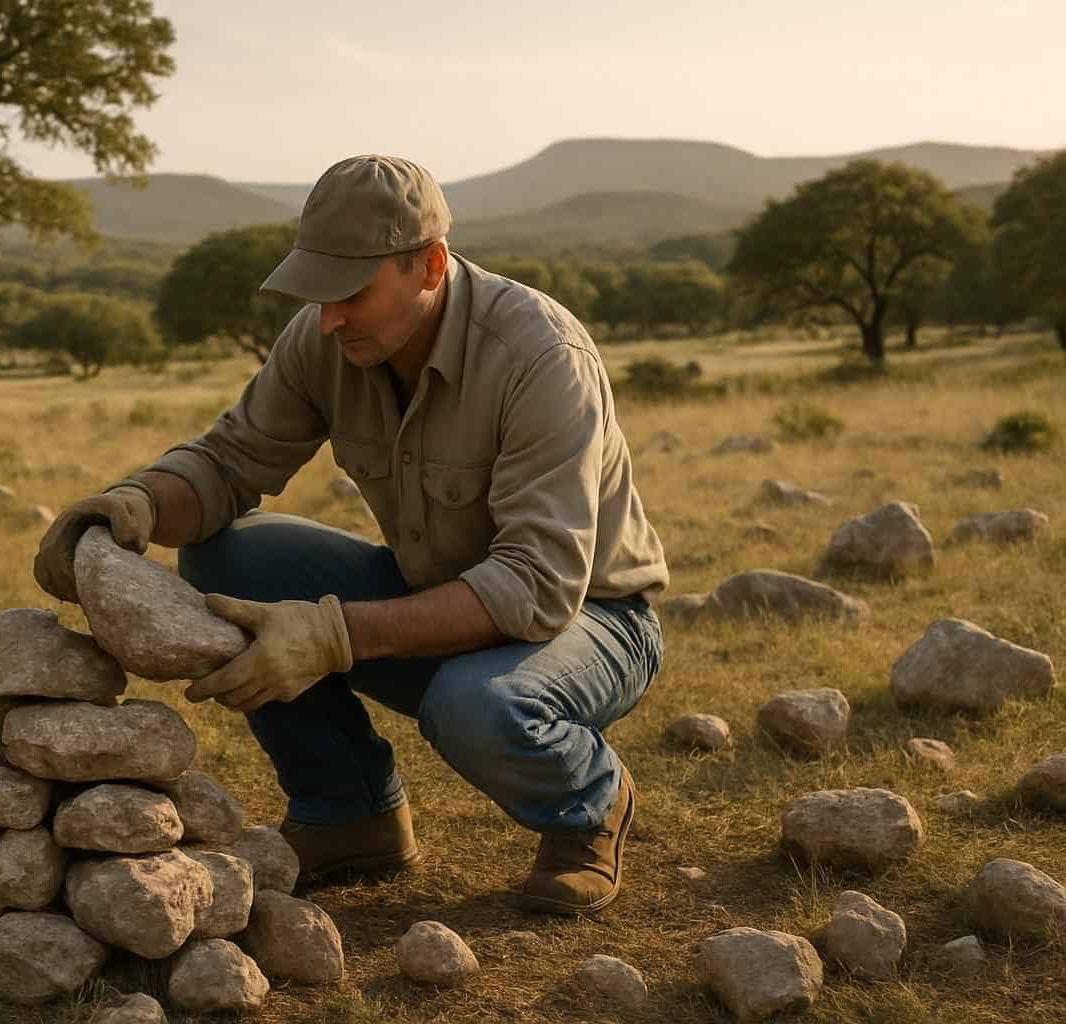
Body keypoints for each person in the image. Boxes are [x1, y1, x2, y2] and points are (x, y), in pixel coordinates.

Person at [35, 154, 668, 915]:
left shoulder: (540, 356)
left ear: (429, 264)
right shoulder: (325, 338)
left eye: (351, 293)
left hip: (592, 620)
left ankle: (589, 804)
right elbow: (230, 462)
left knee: (478, 706)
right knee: (225, 557)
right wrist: (128, 505)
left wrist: (332, 636)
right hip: (442, 598)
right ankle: (351, 814)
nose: (328, 317)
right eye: (317, 291)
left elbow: (535, 588)